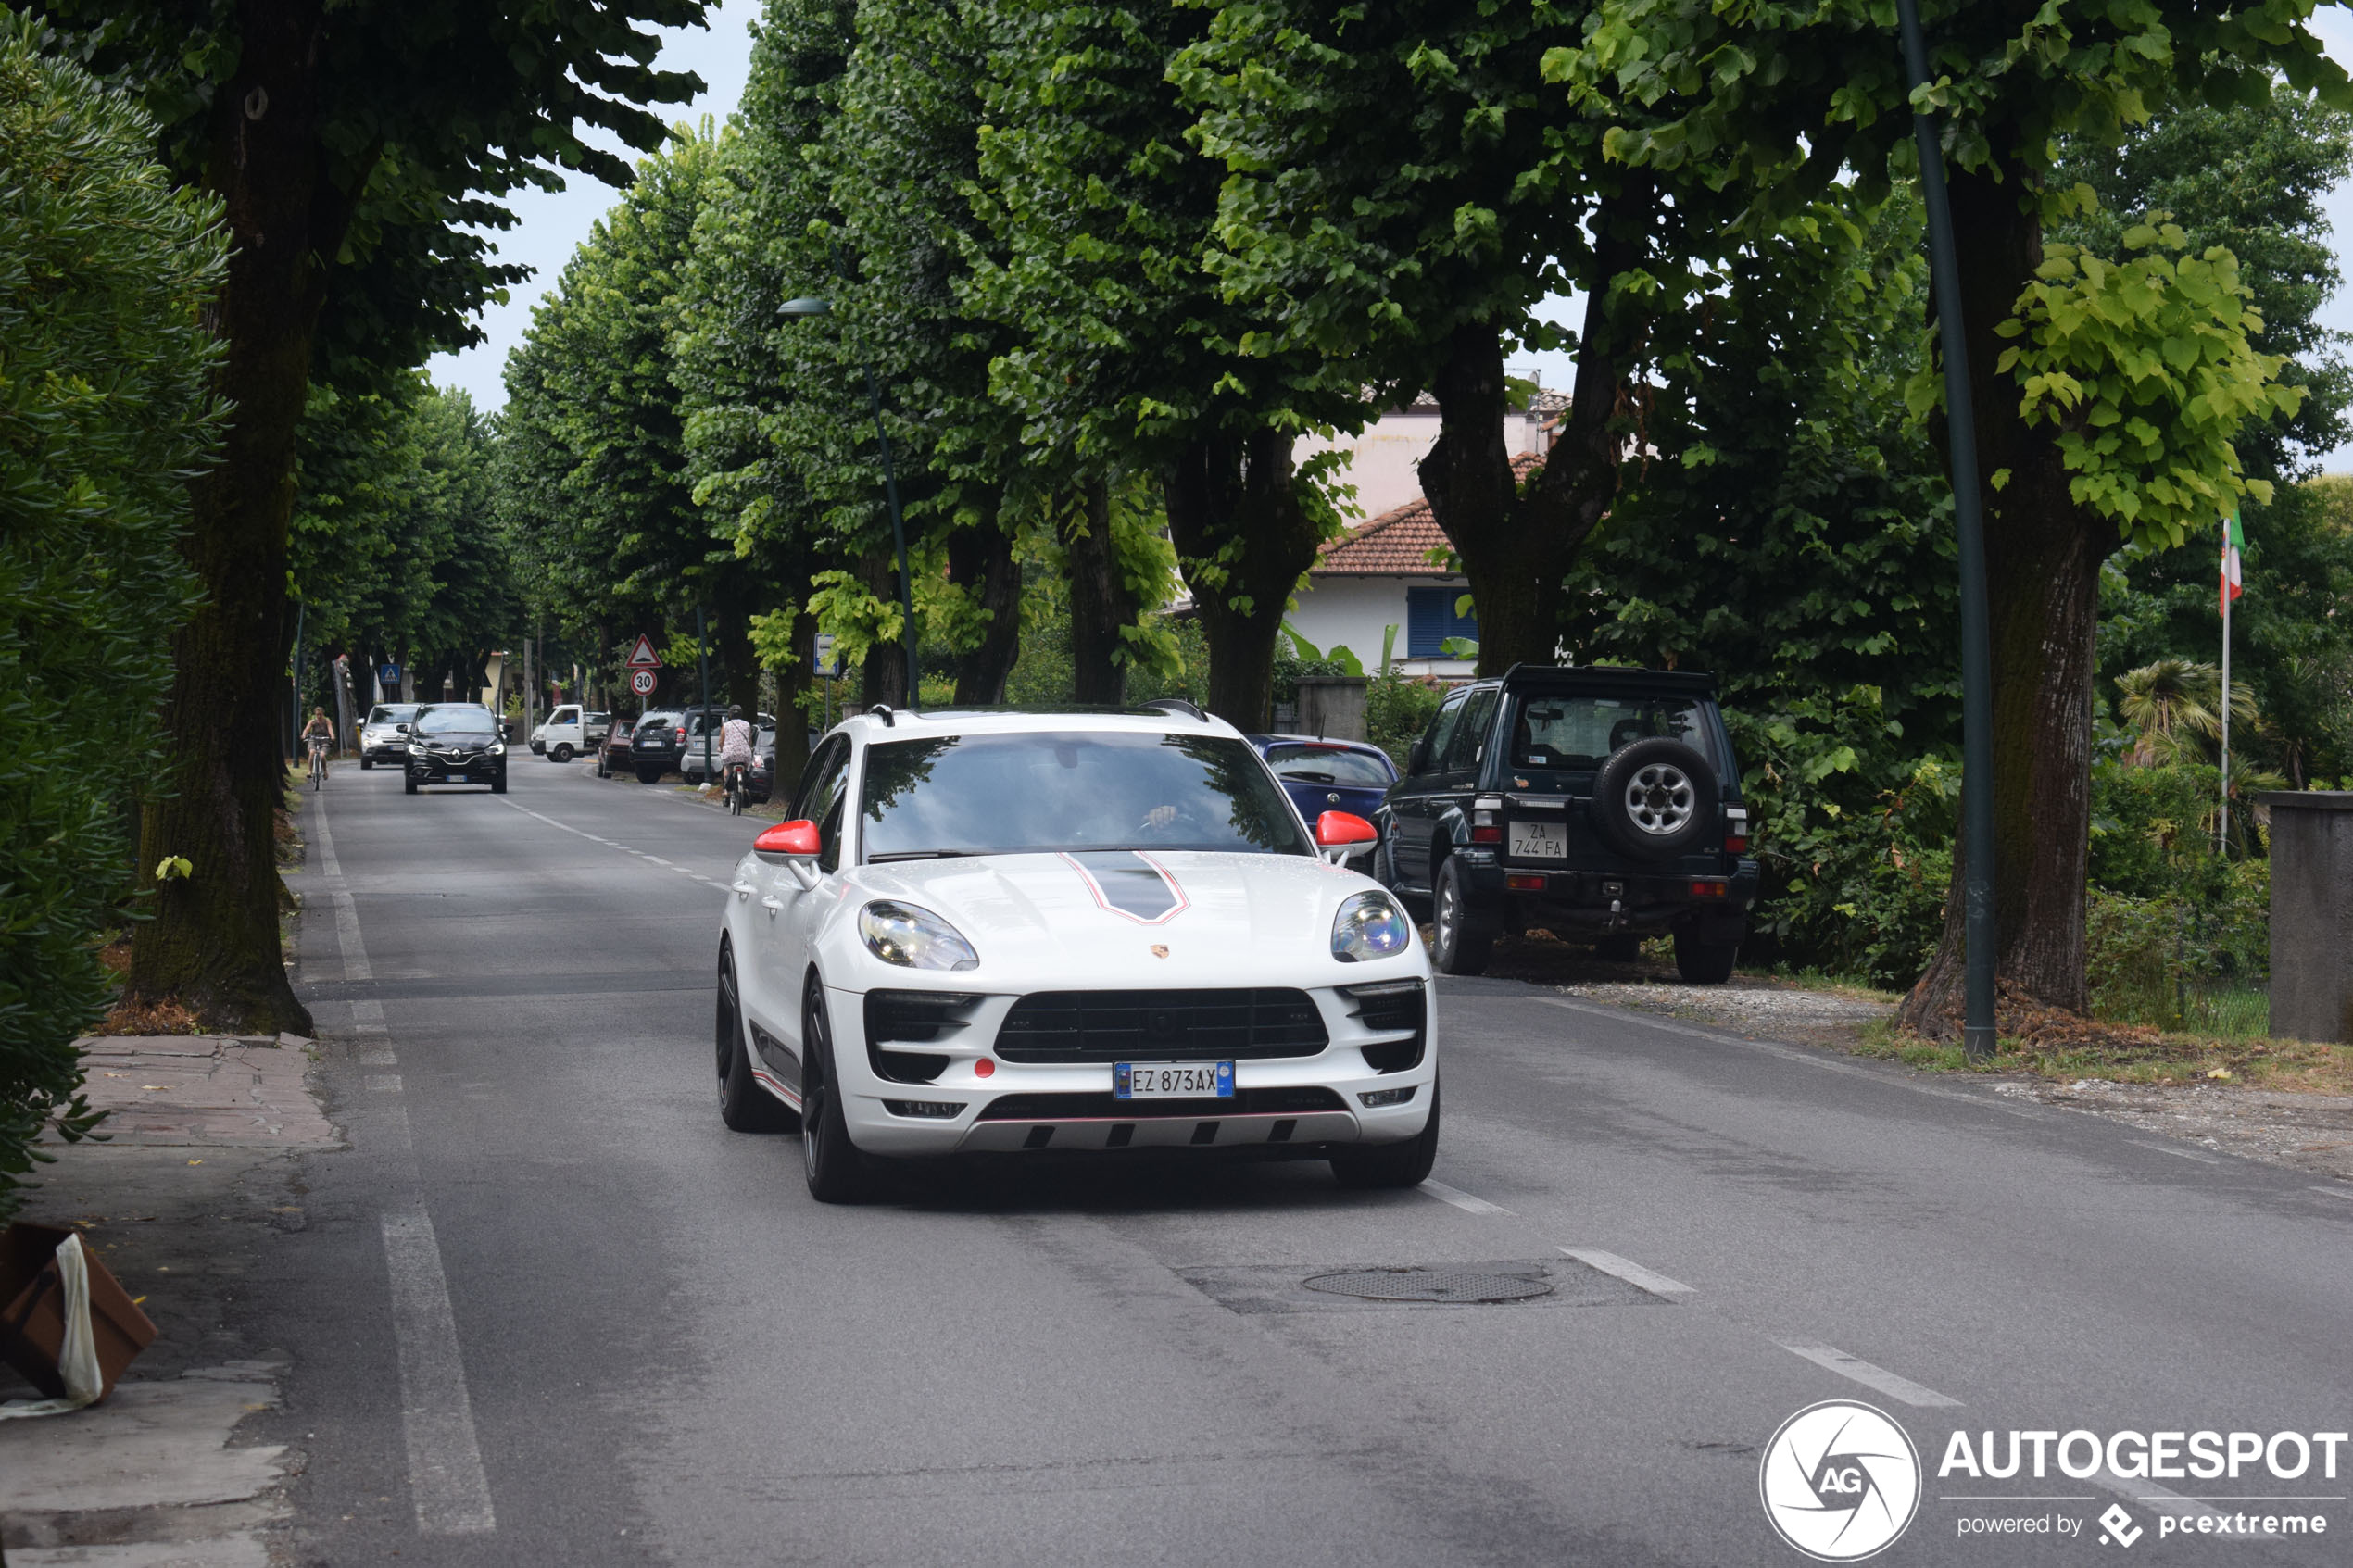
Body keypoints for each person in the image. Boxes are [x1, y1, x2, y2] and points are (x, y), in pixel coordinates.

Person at [717, 704, 756, 800]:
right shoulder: (747, 724)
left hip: (730, 753)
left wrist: (721, 749)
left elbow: (721, 742)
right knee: (746, 766)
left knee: (727, 767)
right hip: (744, 753)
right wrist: (749, 748)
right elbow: (749, 741)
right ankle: (744, 784)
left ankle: (726, 789)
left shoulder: (725, 726)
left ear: (730, 715)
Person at [301, 706, 335, 779]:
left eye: (320, 714)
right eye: (317, 714)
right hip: (314, 739)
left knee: (322, 755)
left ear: (323, 714)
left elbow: (330, 729)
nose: (319, 716)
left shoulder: (327, 721)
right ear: (315, 714)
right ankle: (310, 771)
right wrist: (304, 735)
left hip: (324, 739)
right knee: (312, 752)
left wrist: (332, 736)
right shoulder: (312, 721)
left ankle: (325, 771)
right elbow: (307, 729)